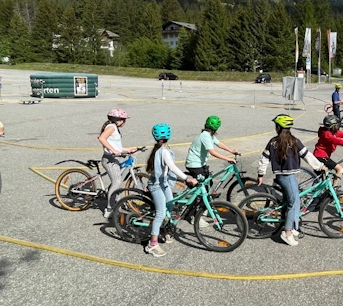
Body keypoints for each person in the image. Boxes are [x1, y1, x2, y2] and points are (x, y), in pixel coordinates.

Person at [257, 114, 323, 246]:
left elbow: (264, 158)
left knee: (294, 200)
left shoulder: (273, 142)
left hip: (281, 176)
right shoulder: (294, 141)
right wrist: (320, 166)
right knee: (294, 201)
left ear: (278, 128)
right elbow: (307, 156)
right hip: (288, 177)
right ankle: (287, 232)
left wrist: (261, 174)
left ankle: (293, 225)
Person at [143, 123, 198, 257]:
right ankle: (152, 244)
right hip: (157, 184)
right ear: (169, 135)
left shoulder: (160, 148)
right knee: (161, 213)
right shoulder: (164, 151)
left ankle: (166, 230)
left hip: (164, 182)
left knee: (171, 206)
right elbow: (172, 167)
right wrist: (187, 178)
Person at [98, 108, 140, 217]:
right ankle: (109, 208)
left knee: (116, 181)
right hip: (109, 159)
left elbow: (117, 147)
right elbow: (102, 139)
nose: (124, 122)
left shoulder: (114, 128)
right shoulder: (111, 127)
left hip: (114, 158)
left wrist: (129, 149)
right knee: (117, 182)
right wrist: (113, 151)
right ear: (118, 120)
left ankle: (114, 201)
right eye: (123, 120)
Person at [185, 115, 239, 182]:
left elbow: (219, 143)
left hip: (201, 163)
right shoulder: (205, 136)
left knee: (209, 182)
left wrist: (232, 151)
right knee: (203, 186)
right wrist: (228, 158)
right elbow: (212, 152)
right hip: (194, 164)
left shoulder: (209, 135)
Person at [313, 115, 343, 185]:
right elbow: (338, 141)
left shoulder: (329, 131)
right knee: (339, 169)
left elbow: (339, 133)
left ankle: (322, 189)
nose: (338, 126)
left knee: (322, 176)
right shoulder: (327, 135)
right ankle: (333, 191)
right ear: (333, 126)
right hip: (321, 157)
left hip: (322, 156)